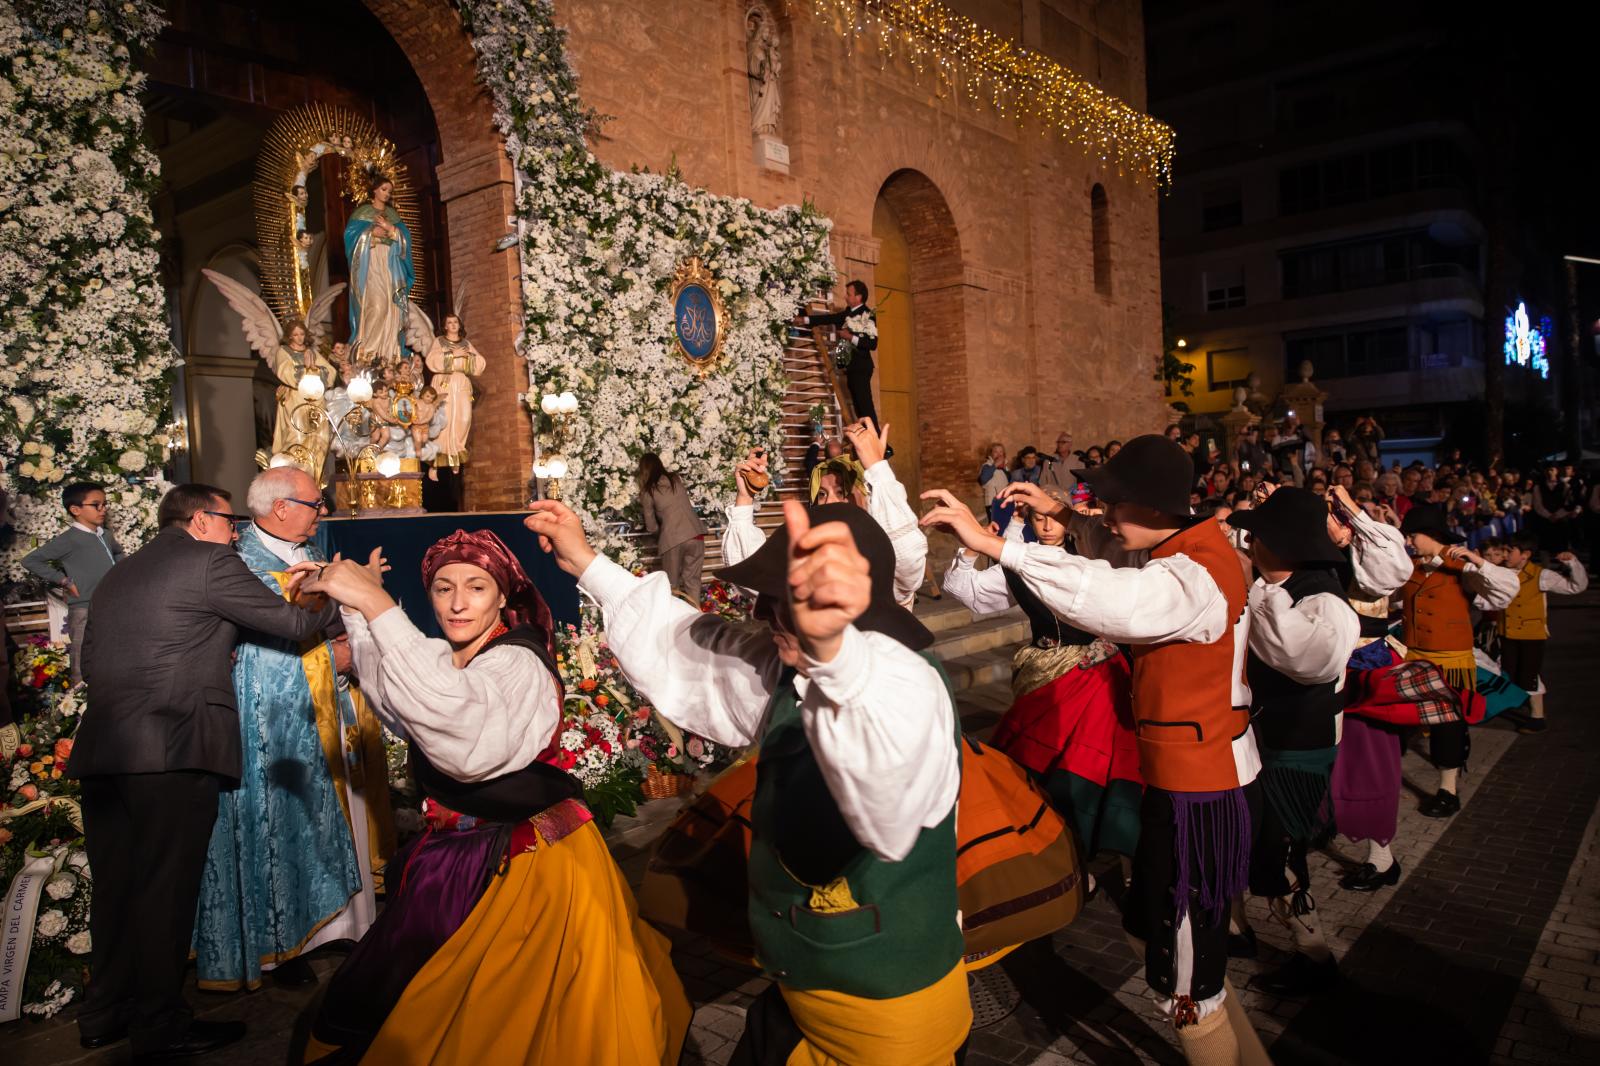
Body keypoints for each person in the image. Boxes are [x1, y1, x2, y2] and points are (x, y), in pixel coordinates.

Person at [530, 498, 971, 1064]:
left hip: (887, 1022)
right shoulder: (784, 666)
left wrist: (838, 656)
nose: (761, 612)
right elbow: (695, 642)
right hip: (802, 989)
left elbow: (889, 800)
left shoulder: (908, 684)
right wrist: (589, 561)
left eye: (782, 599)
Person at [928, 435, 1269, 1065]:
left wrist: (998, 545)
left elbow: (1115, 598)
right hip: (1188, 778)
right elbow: (1113, 556)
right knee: (1156, 937)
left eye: (1113, 502)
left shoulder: (1190, 575)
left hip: (1198, 790)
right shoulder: (1191, 549)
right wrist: (1058, 513)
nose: (1104, 514)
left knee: (1188, 981)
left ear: (1151, 505)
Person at [295, 530, 688, 1064]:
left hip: (525, 862)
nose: (457, 603)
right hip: (459, 852)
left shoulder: (517, 662)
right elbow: (403, 703)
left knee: (509, 1008)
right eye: (442, 588)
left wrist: (377, 604)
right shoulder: (450, 658)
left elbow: (464, 743)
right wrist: (362, 615)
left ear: (504, 596)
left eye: (476, 588)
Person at [66, 484, 335, 1060]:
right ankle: (159, 1026)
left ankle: (103, 1012)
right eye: (228, 519)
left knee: (116, 888)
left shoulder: (122, 571)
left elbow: (91, 659)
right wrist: (333, 593)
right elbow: (291, 625)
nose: (236, 530)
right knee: (165, 890)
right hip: (171, 747)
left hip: (106, 751)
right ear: (198, 519)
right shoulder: (212, 561)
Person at [193, 467, 394, 991]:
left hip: (331, 703)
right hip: (276, 715)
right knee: (285, 818)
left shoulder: (316, 549)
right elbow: (254, 649)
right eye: (313, 502)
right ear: (280, 508)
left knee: (340, 808)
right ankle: (284, 941)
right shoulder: (236, 563)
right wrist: (335, 651)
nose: (321, 511)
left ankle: (350, 921)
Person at [938, 496, 1141, 870]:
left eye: (1053, 517)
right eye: (1037, 517)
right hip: (1041, 669)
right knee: (1032, 761)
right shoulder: (1018, 563)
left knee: (1085, 759)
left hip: (1094, 673)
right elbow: (971, 594)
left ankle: (1091, 841)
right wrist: (970, 549)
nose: (1047, 525)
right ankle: (1046, 840)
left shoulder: (1090, 559)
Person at [1225, 487, 1359, 997]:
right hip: (1263, 742)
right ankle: (1238, 930)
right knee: (1251, 839)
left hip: (1298, 750)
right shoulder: (1278, 587)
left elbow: (1305, 661)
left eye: (1254, 534)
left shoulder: (1323, 597)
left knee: (1280, 854)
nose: (1245, 540)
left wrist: (1259, 589)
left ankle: (1316, 956)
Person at [1394, 504, 1517, 818]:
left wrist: (1477, 561)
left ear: (1433, 535)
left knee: (1447, 726)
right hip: (1414, 656)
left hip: (1450, 660)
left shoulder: (1462, 567)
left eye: (1413, 534)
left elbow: (1505, 593)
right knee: (1404, 719)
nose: (1408, 539)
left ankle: (1448, 789)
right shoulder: (1407, 564)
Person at [727, 418, 927, 610]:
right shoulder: (808, 557)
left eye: (841, 493)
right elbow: (757, 581)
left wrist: (877, 468)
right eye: (822, 494)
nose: (831, 502)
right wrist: (745, 499)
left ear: (865, 498)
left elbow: (906, 561)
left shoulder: (880, 554)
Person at [21, 481, 124, 684]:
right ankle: (78, 701)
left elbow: (119, 553)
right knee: (81, 656)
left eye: (104, 504)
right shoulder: (69, 539)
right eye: (96, 505)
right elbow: (30, 560)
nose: (103, 509)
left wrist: (122, 573)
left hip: (112, 604)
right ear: (75, 509)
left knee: (114, 653)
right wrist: (63, 580)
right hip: (84, 607)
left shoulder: (106, 535)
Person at [1496, 536, 1588, 734]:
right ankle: (1521, 707)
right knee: (1511, 672)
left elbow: (1576, 587)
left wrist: (1572, 562)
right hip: (1506, 632)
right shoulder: (1501, 572)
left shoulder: (1540, 575)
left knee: (1529, 676)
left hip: (1531, 635)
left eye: (1509, 551)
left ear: (1525, 555)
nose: (1505, 555)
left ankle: (1537, 717)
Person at [797, 280, 880, 428]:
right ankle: (868, 438)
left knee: (866, 407)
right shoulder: (848, 313)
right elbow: (829, 318)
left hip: (862, 367)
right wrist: (805, 319)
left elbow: (872, 344)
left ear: (858, 297)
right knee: (859, 408)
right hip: (851, 368)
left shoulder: (868, 314)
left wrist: (850, 337)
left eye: (849, 294)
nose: (845, 297)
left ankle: (880, 442)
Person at [637, 452, 708, 603]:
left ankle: (674, 622)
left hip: (673, 539)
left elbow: (651, 526)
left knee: (672, 585)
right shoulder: (675, 479)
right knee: (693, 581)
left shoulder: (648, 491)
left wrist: (660, 533)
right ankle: (695, 619)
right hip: (695, 534)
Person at [979, 442, 1011, 528]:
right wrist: (995, 465)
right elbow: (983, 479)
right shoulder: (987, 466)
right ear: (990, 454)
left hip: (1004, 500)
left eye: (1001, 452)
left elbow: (1009, 481)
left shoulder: (1005, 467)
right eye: (995, 452)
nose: (999, 454)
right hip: (992, 502)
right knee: (995, 524)